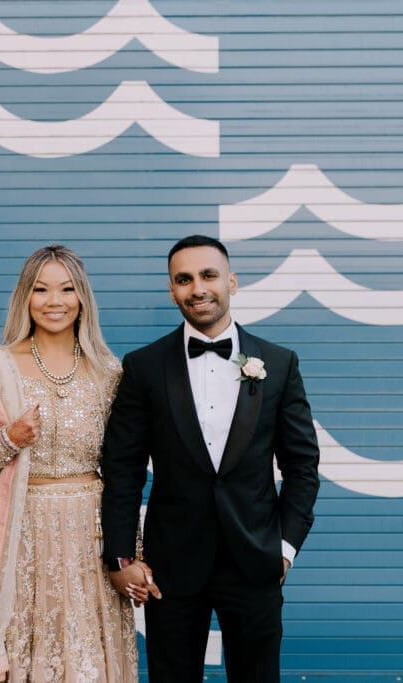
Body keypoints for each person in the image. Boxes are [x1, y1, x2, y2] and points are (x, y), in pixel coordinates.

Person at [101, 234, 321, 682]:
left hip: (256, 561)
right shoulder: (143, 366)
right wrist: (120, 557)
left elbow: (302, 467)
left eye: (208, 275)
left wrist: (283, 549)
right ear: (171, 291)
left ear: (231, 281)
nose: (197, 288)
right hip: (171, 565)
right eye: (184, 280)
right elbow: (123, 470)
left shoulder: (279, 363)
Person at [0, 245, 142, 682]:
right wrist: (10, 440)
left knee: (87, 656)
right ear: (25, 297)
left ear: (82, 298)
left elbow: (123, 474)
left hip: (91, 535)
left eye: (67, 289)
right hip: (23, 537)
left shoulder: (108, 372)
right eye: (41, 289)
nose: (55, 301)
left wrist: (131, 553)